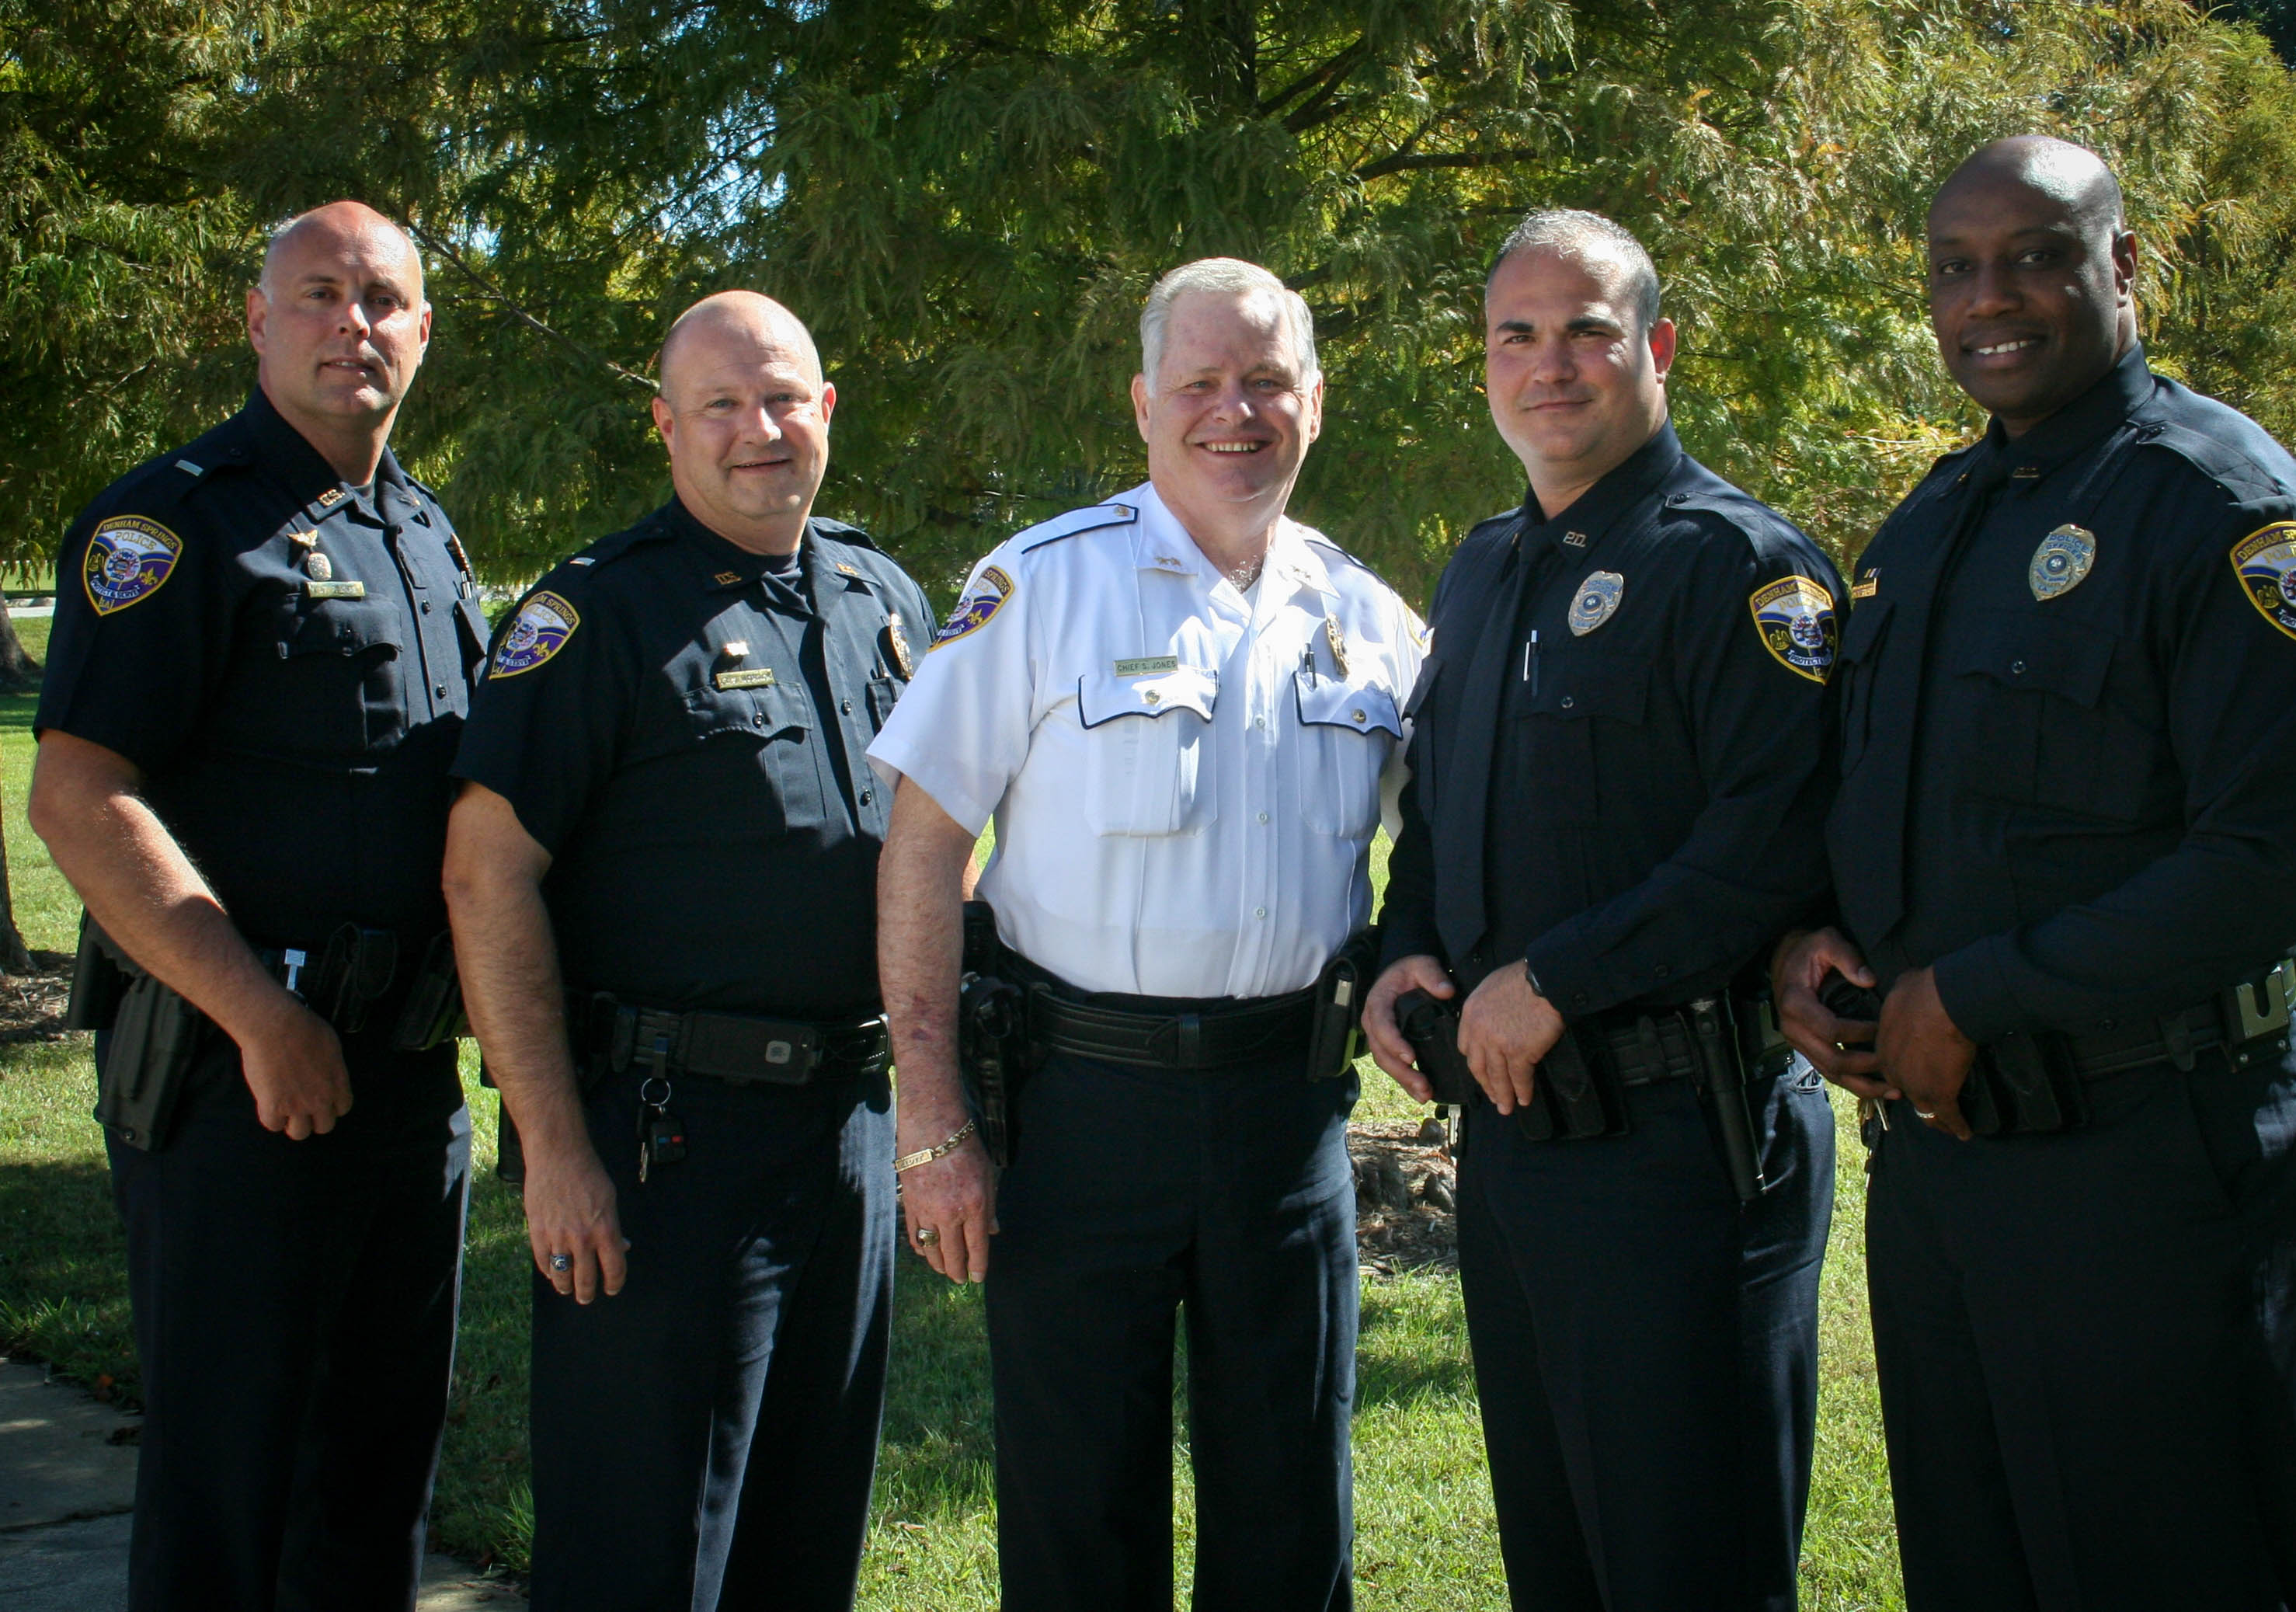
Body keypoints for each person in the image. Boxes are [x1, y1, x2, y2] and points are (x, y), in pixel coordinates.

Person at [1771, 137, 2296, 1612]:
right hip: (1949, 1167)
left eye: (2036, 255)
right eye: (1956, 267)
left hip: (2149, 1159)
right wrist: (1809, 941)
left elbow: (2267, 867)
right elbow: (1885, 795)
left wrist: (1975, 992)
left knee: (2167, 1567)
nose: (1991, 296)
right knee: (1976, 1570)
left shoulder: (2223, 508)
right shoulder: (1933, 525)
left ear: (2125, 266)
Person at [870, 257, 1424, 1610]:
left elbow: (1456, 840)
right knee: (1078, 1520)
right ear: (1143, 403)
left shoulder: (1367, 616)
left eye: (1267, 381)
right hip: (1080, 1116)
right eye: (1200, 383)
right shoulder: (1042, 582)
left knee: (1291, 1517)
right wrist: (931, 1121)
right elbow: (924, 850)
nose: (1235, 411)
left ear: (1315, 402)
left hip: (1289, 1119)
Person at [1357, 210, 1841, 1610]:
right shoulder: (1485, 566)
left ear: (1658, 348)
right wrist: (1406, 949)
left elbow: (1775, 840)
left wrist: (1558, 976)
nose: (1548, 364)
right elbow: (1441, 806)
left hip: (1683, 1145)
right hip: (1521, 1143)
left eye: (1587, 332)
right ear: (1485, 364)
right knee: (1558, 1557)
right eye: (1516, 335)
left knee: (1688, 1562)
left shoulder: (1740, 566)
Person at [442, 290, 934, 1611]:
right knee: (641, 1550)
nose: (758, 429)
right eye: (721, 404)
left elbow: (935, 845)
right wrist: (554, 1151)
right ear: (666, 426)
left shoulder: (882, 597)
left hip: (849, 1129)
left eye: (783, 399)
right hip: (666, 1145)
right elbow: (486, 877)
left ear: (827, 410)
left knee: (805, 1536)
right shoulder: (597, 615)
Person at [27, 201, 482, 1610]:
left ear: (422, 330)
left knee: (376, 1480)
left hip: (406, 1076)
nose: (355, 324)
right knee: (234, 1483)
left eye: (384, 299)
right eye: (320, 294)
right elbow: (80, 797)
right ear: (257, 319)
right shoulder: (177, 521)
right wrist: (258, 1016)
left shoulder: (425, 535)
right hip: (242, 1077)